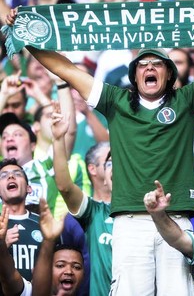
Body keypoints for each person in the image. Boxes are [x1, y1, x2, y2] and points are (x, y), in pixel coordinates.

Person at [5, 0, 194, 296]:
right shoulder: (114, 101)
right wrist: (26, 36)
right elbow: (65, 68)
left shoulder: (188, 100)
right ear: (134, 75)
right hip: (129, 222)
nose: (150, 68)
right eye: (143, 64)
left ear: (169, 74)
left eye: (157, 64)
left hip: (176, 219)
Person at [51, 101, 112, 296]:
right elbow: (64, 186)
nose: (118, 166)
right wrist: (58, 139)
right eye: (110, 161)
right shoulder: (93, 211)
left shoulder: (142, 209)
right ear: (93, 169)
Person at [0, 198, 84, 296]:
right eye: (60, 265)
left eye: (77, 267)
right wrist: (1, 244)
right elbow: (9, 277)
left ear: (84, 275)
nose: (69, 271)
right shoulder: (29, 292)